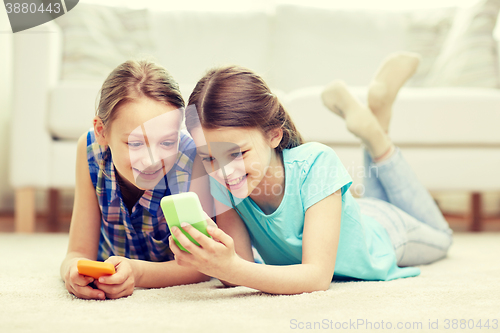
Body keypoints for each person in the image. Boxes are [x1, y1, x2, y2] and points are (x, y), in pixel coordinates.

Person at [168, 53, 453, 295]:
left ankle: (378, 141)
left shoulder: (317, 161)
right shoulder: (222, 182)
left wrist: (230, 266)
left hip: (385, 231)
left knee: (443, 237)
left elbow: (316, 278)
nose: (224, 171)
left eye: (237, 154)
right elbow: (239, 272)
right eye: (208, 158)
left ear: (274, 135)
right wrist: (211, 256)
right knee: (372, 203)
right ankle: (375, 122)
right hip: (342, 215)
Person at [60, 60, 213, 300]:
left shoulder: (192, 158)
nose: (152, 160)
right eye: (135, 143)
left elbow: (204, 265)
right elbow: (78, 251)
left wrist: (138, 273)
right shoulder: (90, 149)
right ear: (101, 131)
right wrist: (72, 271)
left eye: (166, 142)